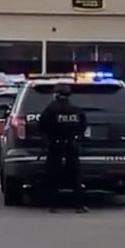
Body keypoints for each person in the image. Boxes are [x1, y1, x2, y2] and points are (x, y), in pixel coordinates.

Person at [39, 83, 88, 213]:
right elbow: (83, 126)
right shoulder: (76, 109)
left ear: (56, 95)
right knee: (75, 175)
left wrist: (46, 142)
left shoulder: (50, 109)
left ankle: (53, 205)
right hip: (71, 145)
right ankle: (79, 206)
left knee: (53, 175)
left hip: (55, 145)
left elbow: (42, 126)